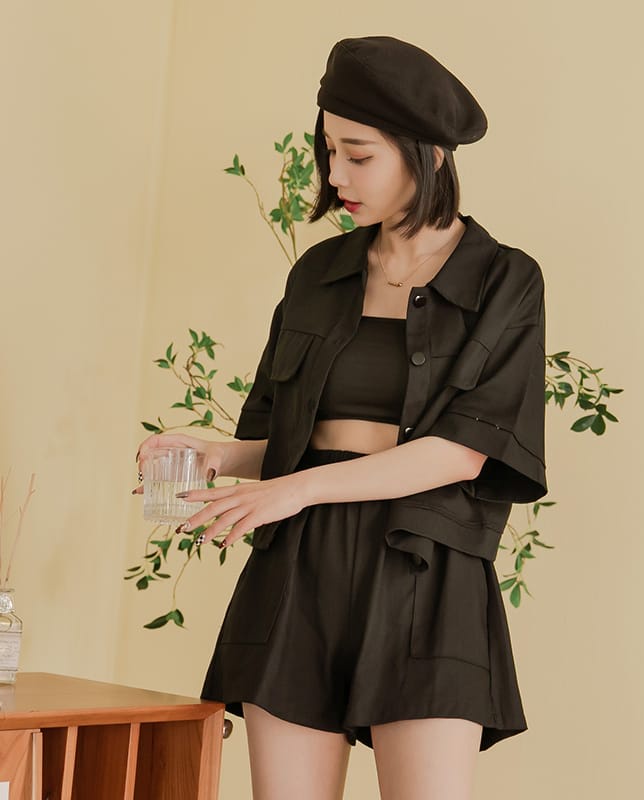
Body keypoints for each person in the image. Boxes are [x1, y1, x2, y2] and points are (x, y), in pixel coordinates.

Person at [136, 35, 547, 800]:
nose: (334, 175)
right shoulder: (318, 274)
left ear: (428, 154)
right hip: (299, 569)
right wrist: (218, 454)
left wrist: (294, 491)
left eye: (358, 155)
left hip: (426, 566)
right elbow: (288, 441)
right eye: (328, 151)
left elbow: (463, 451)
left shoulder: (504, 281)